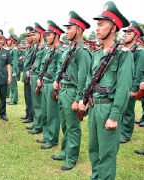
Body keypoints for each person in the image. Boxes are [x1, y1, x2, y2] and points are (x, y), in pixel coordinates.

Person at [79, 1, 133, 179]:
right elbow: (89, 78)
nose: (97, 28)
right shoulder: (97, 52)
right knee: (93, 149)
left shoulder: (123, 54)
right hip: (94, 108)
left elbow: (124, 88)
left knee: (107, 154)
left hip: (108, 109)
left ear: (114, 28)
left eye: (101, 24)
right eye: (97, 24)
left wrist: (115, 115)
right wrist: (84, 100)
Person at [52, 11, 91, 171]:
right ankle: (65, 150)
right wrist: (57, 81)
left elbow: (84, 77)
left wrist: (79, 99)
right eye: (66, 28)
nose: (66, 31)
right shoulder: (69, 49)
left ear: (79, 30)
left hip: (73, 93)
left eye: (70, 28)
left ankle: (72, 157)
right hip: (63, 91)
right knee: (65, 124)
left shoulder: (82, 51)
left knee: (73, 126)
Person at [37, 20, 64, 149]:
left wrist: (57, 89)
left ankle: (52, 139)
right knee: (46, 112)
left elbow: (60, 71)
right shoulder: (48, 51)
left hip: (52, 86)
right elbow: (43, 67)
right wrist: (40, 78)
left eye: (49, 35)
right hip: (45, 83)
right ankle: (46, 135)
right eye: (46, 35)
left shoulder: (60, 52)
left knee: (53, 113)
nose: (46, 37)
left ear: (56, 36)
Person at [120, 21, 144, 143]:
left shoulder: (139, 52)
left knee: (128, 110)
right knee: (120, 108)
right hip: (121, 85)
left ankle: (126, 133)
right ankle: (120, 130)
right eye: (125, 33)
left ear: (136, 36)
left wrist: (134, 89)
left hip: (130, 86)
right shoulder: (124, 50)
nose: (125, 35)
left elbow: (139, 71)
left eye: (129, 33)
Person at [26, 22, 48, 134]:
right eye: (32, 35)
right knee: (34, 102)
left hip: (38, 77)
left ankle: (39, 125)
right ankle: (36, 122)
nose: (33, 37)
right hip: (33, 75)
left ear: (41, 35)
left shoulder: (45, 48)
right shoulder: (37, 48)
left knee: (39, 102)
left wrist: (40, 78)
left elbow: (44, 65)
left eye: (35, 35)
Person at [21, 26, 34, 123]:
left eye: (29, 36)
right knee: (27, 97)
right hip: (26, 76)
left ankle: (31, 116)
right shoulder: (28, 49)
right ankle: (28, 114)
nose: (27, 38)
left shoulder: (34, 49)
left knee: (31, 97)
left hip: (31, 76)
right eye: (26, 36)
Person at [6, 34, 20, 105]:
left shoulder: (14, 50)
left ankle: (14, 100)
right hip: (11, 67)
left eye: (8, 40)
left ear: (12, 41)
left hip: (13, 68)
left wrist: (14, 71)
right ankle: (12, 99)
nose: (7, 41)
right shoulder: (11, 49)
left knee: (13, 85)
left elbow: (15, 61)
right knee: (11, 84)